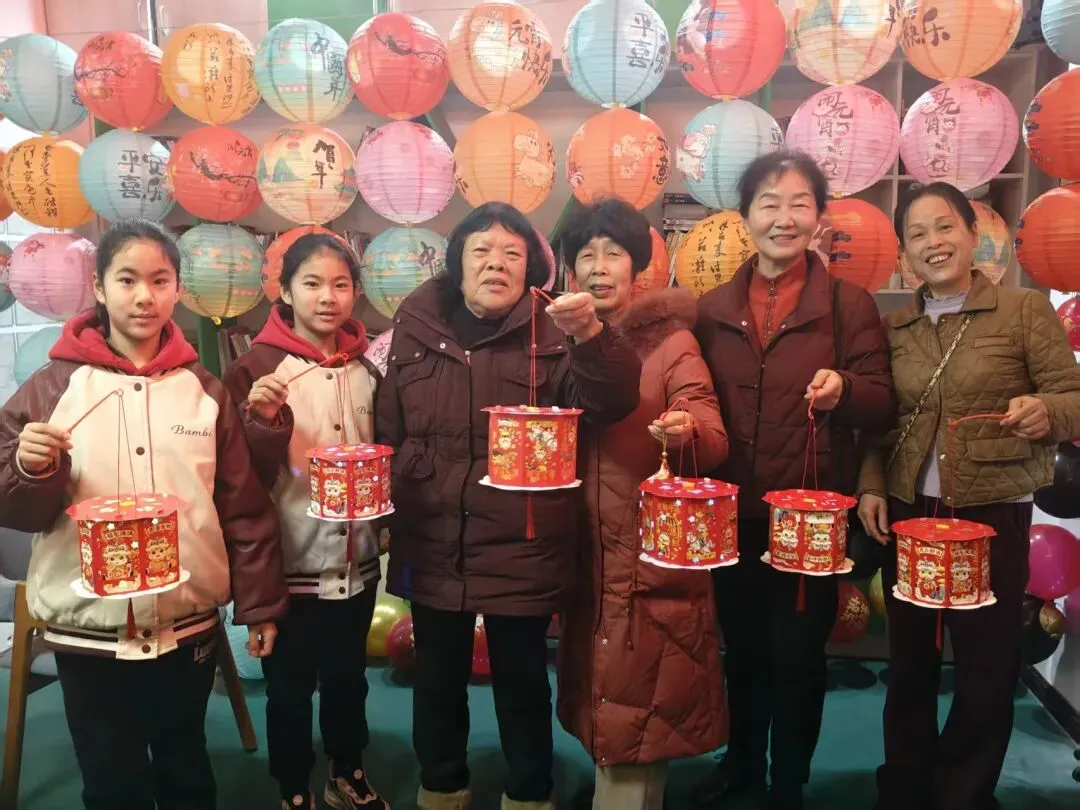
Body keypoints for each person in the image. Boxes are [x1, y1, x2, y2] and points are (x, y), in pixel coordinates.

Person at [0, 219, 287, 810]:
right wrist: (30, 468)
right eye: (127, 279)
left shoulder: (205, 391)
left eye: (159, 280)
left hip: (186, 625)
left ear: (177, 289)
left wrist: (259, 606)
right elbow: (19, 510)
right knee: (111, 780)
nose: (143, 297)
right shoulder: (52, 388)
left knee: (187, 768)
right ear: (99, 288)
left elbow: (242, 506)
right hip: (87, 633)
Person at [374, 201, 642, 810]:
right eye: (481, 250)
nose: (495, 263)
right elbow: (390, 429)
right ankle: (441, 787)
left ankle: (529, 792)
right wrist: (392, 511)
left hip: (524, 537)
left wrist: (590, 337)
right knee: (435, 680)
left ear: (531, 269)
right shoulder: (413, 326)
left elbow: (611, 401)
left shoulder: (556, 328)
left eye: (512, 253)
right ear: (457, 263)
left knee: (522, 682)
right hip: (433, 536)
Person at [856, 182, 1080, 810]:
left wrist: (1046, 411)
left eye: (944, 226)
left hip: (991, 512)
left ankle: (963, 792)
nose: (933, 242)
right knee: (910, 661)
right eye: (917, 234)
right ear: (904, 254)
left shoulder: (1022, 312)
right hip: (911, 513)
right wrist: (871, 485)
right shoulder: (896, 328)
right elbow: (880, 422)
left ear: (972, 234)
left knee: (985, 666)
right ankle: (904, 785)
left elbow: (1073, 395)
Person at [692, 150, 896, 810]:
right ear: (746, 216)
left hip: (808, 516)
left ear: (818, 216)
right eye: (769, 204)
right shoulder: (712, 308)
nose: (784, 218)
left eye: (799, 203)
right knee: (742, 649)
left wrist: (847, 390)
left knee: (799, 655)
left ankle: (788, 781)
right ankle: (743, 763)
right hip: (732, 511)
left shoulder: (847, 303)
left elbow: (883, 401)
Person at [555, 198, 729, 810]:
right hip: (586, 552)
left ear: (637, 268)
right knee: (611, 706)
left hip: (648, 553)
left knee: (640, 719)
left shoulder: (671, 343)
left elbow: (712, 435)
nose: (599, 267)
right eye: (586, 255)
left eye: (614, 254)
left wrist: (685, 429)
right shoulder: (557, 344)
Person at [223, 233, 388, 810]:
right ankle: (293, 787)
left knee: (349, 678)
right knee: (289, 688)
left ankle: (348, 771)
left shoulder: (368, 367)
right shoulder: (256, 367)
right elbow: (237, 476)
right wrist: (261, 419)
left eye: (340, 285)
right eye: (312, 283)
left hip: (356, 560)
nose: (327, 297)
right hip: (288, 562)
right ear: (286, 291)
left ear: (356, 293)